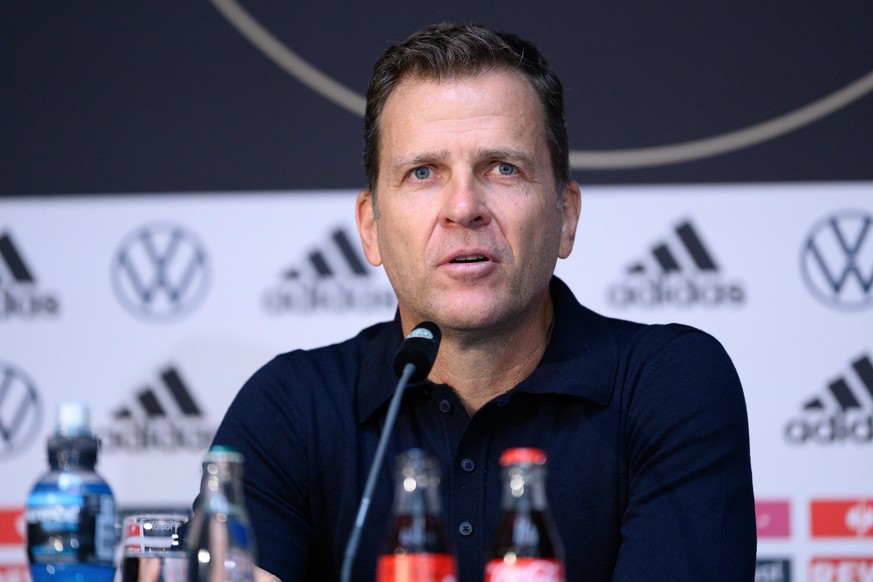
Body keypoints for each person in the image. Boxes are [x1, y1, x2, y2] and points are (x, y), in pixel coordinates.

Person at [209, 22, 757, 581]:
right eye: (423, 172)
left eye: (503, 168)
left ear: (565, 216)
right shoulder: (288, 410)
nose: (464, 206)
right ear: (370, 228)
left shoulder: (670, 383)